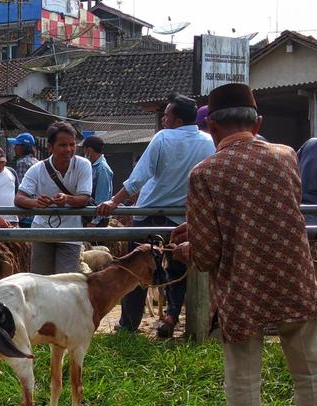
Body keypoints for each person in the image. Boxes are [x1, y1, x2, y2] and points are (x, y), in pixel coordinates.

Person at [171, 83, 317, 406]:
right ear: (258, 122)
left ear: (211, 128)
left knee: (243, 378)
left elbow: (208, 256)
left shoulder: (205, 173)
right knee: (311, 372)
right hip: (294, 278)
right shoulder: (285, 157)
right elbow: (270, 209)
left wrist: (188, 246)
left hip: (243, 289)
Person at [97, 93, 215, 338]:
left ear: (177, 119)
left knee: (134, 269)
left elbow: (139, 177)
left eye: (167, 115)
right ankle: (171, 317)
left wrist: (113, 201)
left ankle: (129, 324)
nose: (163, 120)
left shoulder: (162, 138)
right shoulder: (207, 142)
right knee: (176, 268)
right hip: (181, 219)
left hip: (149, 215)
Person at [15, 122, 92, 275]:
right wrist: (36, 202)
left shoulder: (83, 165)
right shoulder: (37, 169)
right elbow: (19, 198)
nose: (69, 149)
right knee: (41, 281)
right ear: (50, 147)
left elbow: (85, 198)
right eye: (63, 145)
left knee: (65, 284)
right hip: (42, 231)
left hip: (71, 233)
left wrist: (67, 199)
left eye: (72, 144)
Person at [81, 136, 114, 220]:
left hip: (96, 218)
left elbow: (102, 199)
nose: (83, 153)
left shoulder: (102, 169)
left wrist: (94, 222)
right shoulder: (92, 166)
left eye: (84, 150)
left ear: (89, 150)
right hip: (90, 215)